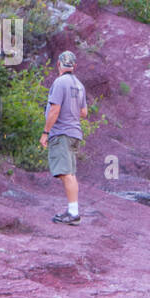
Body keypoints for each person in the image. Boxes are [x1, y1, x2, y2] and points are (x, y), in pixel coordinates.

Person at [40, 50, 87, 225]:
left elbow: (54, 109)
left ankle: (73, 213)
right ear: (74, 66)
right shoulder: (79, 85)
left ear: (59, 64)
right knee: (70, 173)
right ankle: (72, 210)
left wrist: (45, 132)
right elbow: (84, 112)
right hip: (75, 133)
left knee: (66, 173)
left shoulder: (60, 83)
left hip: (62, 133)